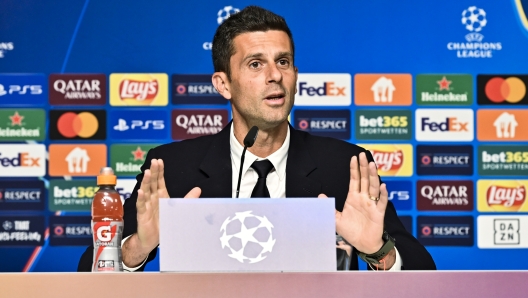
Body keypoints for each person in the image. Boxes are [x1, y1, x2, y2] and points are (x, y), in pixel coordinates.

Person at [78, 6, 435, 271]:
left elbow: (425, 273)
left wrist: (377, 250)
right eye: (255, 64)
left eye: (283, 62)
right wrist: (139, 246)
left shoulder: (345, 166)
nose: (274, 76)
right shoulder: (173, 167)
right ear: (223, 84)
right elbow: (88, 270)